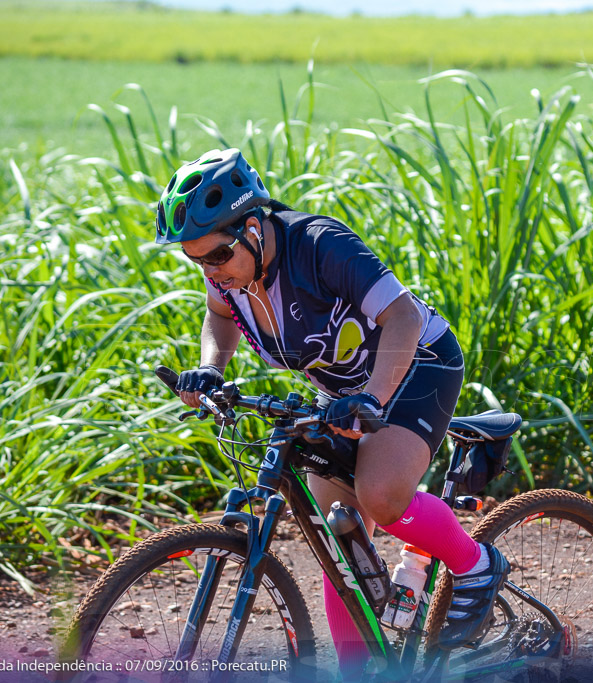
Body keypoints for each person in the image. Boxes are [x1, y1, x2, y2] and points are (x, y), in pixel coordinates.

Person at [155, 148, 509, 678]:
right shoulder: (230, 270)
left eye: (218, 256)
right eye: (196, 261)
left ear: (253, 229)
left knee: (380, 496)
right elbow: (217, 314)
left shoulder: (320, 245)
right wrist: (212, 367)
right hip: (345, 390)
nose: (209, 271)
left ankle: (476, 565)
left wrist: (374, 400)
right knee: (335, 530)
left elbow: (405, 318)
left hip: (415, 365)